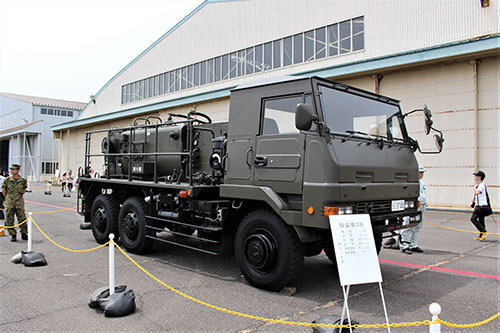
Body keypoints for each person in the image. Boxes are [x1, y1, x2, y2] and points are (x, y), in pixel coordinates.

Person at [400, 166, 427, 255]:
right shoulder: (410, 182)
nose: (421, 174)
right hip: (412, 205)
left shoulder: (421, 183)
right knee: (408, 225)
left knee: (417, 226)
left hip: (421, 206)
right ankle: (404, 245)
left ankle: (413, 244)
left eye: (422, 173)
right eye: (420, 172)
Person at [1, 164, 28, 242]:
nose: (12, 171)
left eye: (14, 169)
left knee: (22, 218)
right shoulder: (7, 180)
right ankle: (13, 234)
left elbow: (23, 191)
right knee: (9, 219)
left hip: (19, 202)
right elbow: (4, 190)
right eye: (11, 169)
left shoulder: (22, 180)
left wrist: (17, 197)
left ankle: (24, 233)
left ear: (18, 170)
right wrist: (9, 198)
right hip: (9, 202)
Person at [470, 171, 489, 241]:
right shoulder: (480, 185)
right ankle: (482, 235)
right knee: (481, 220)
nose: (475, 177)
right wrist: (474, 199)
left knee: (473, 219)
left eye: (476, 176)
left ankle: (483, 231)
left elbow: (478, 192)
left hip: (480, 206)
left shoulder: (481, 185)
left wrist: (474, 188)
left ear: (479, 177)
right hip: (482, 205)